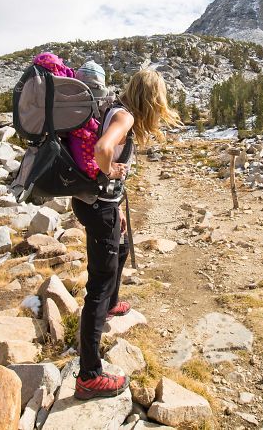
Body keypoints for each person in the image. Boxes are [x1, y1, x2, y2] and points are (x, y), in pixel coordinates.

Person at [72, 68, 180, 400]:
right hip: (97, 207)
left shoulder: (113, 108)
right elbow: (103, 149)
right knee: (98, 286)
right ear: (152, 98)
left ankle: (111, 303)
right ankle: (89, 375)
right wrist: (110, 170)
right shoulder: (125, 118)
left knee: (122, 247)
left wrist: (114, 199)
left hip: (95, 202)